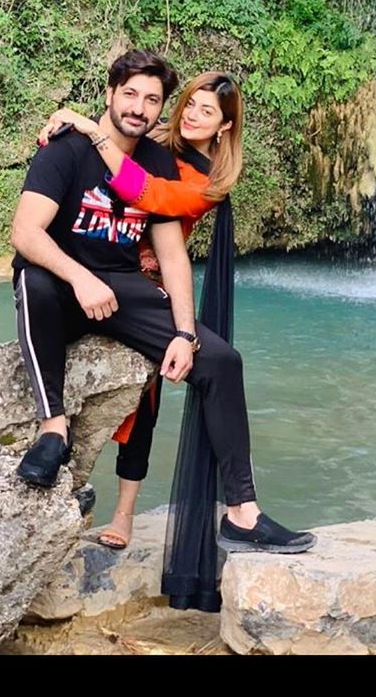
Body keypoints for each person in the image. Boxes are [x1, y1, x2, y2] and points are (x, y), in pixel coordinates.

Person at [11, 48, 314, 567]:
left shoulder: (173, 172)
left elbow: (172, 254)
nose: (141, 106)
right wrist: (81, 277)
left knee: (222, 361)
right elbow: (24, 233)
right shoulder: (65, 150)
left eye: (152, 98)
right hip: (67, 278)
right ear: (110, 94)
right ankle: (52, 428)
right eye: (130, 94)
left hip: (128, 282)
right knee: (34, 280)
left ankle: (242, 512)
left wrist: (185, 335)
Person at [37, 71, 243, 551]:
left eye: (206, 111)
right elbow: (108, 146)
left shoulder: (208, 184)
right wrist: (70, 127)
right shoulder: (153, 142)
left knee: (145, 402)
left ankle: (124, 513)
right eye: (189, 104)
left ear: (224, 128)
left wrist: (89, 130)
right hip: (105, 267)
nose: (191, 115)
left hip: (150, 284)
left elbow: (147, 195)